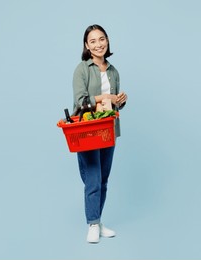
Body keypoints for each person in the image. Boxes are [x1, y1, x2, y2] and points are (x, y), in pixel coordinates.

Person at [72, 24, 128, 243]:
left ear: (107, 41)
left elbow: (114, 107)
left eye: (101, 39)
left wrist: (120, 102)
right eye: (93, 41)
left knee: (103, 178)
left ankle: (98, 220)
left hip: (108, 131)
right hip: (87, 130)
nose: (98, 44)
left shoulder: (113, 71)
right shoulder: (82, 69)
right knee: (93, 178)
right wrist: (108, 99)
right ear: (87, 45)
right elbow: (81, 101)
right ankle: (92, 224)